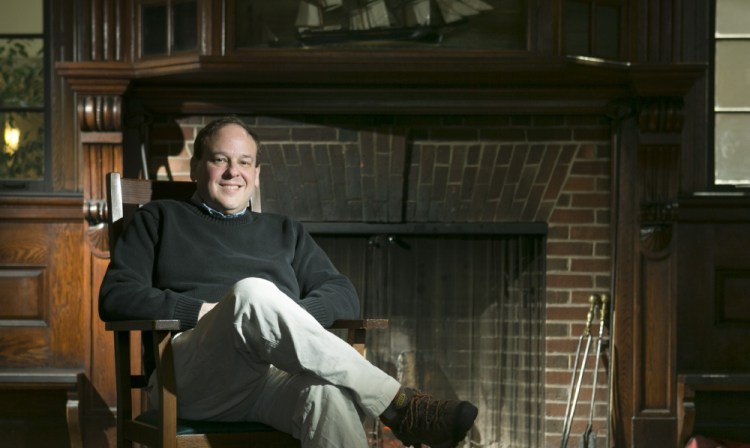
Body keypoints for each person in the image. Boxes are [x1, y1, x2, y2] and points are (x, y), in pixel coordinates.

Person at [99, 116, 478, 448]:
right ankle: (399, 405)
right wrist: (206, 311)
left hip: (268, 380)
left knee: (328, 397)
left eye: (244, 162)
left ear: (257, 174)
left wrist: (283, 315)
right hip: (189, 379)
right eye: (220, 160)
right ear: (198, 167)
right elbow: (116, 296)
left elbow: (343, 295)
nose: (234, 172)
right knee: (252, 293)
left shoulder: (285, 231)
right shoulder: (160, 218)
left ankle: (398, 408)